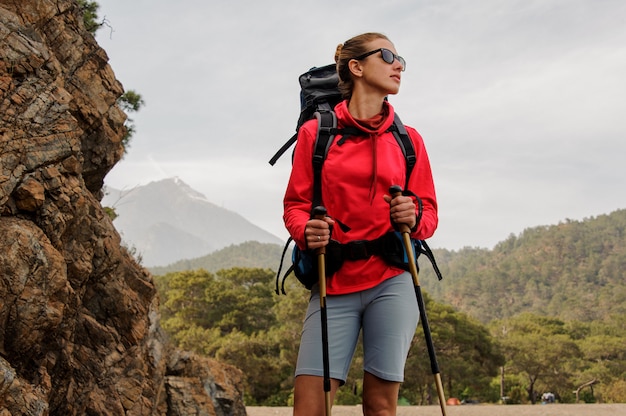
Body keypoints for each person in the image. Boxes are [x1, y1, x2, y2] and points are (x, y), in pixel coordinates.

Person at [283, 32, 438, 416]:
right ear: (356, 67)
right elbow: (296, 206)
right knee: (309, 409)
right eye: (387, 56)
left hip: (393, 279)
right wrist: (307, 230)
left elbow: (429, 213)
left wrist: (413, 215)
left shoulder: (409, 140)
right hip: (333, 279)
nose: (398, 64)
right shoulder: (316, 133)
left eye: (400, 58)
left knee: (381, 408)